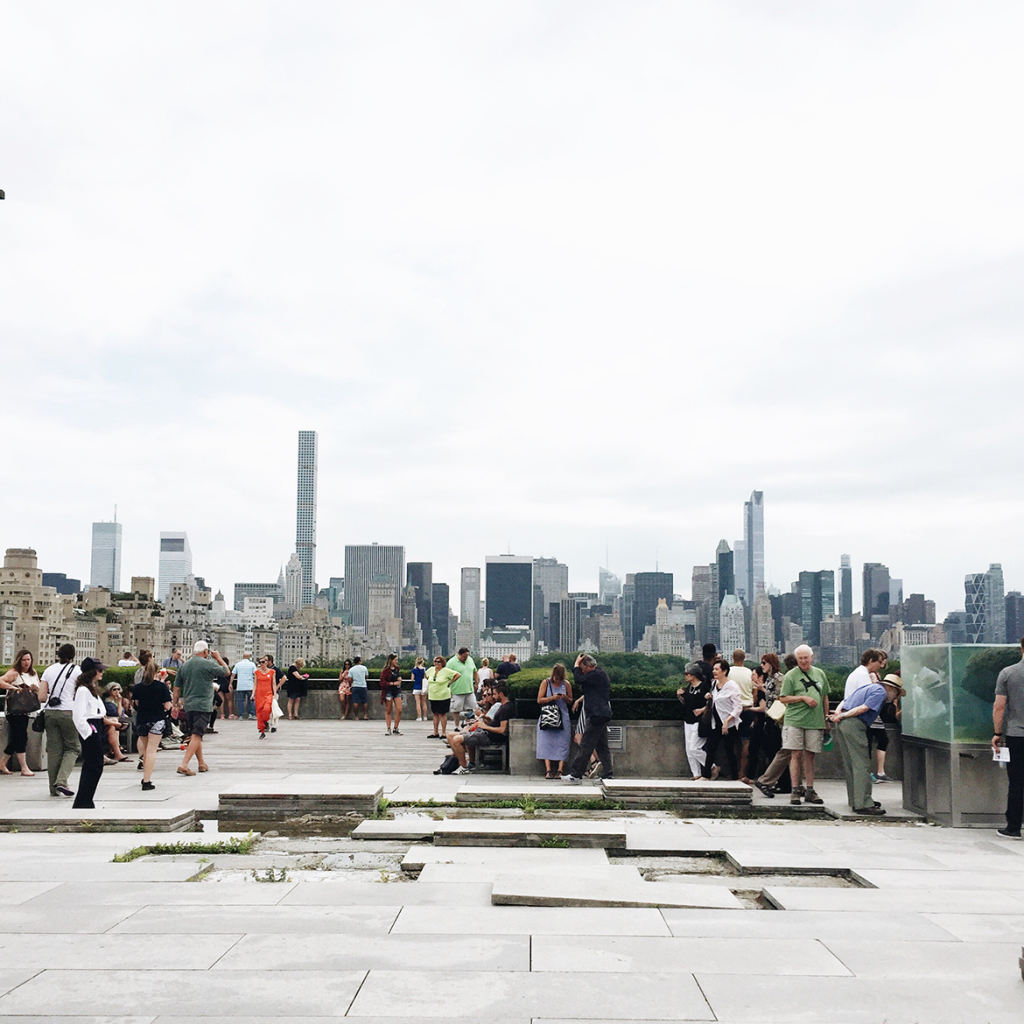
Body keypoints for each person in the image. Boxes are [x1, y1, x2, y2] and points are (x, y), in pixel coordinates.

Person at [829, 668, 898, 816]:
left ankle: (855, 799)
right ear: (891, 689)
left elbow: (845, 701)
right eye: (897, 693)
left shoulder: (869, 687)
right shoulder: (880, 692)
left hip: (843, 725)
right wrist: (843, 716)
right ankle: (863, 803)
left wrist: (839, 714)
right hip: (854, 724)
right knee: (862, 763)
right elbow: (863, 708)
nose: (895, 698)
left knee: (850, 763)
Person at [779, 644, 829, 806]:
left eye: (806, 658)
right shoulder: (791, 676)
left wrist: (826, 717)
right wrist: (802, 698)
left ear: (812, 657)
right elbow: (783, 698)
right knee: (796, 754)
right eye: (800, 659)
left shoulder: (820, 674)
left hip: (815, 721)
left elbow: (825, 697)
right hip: (795, 721)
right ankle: (795, 789)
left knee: (810, 755)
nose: (803, 661)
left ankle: (810, 789)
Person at [172, 641, 228, 776]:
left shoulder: (185, 666)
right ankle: (184, 764)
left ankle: (201, 763)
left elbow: (176, 687)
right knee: (197, 734)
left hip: (189, 705)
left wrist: (175, 704)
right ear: (205, 652)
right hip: (203, 705)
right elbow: (226, 672)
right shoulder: (208, 664)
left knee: (195, 734)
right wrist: (218, 658)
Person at [38, 644, 81, 797]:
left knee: (54, 751)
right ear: (73, 655)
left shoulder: (49, 670)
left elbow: (41, 697)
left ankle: (53, 789)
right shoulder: (77, 671)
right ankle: (62, 781)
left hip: (50, 712)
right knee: (73, 748)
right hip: (68, 712)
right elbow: (79, 694)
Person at [562, 654, 613, 784]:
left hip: (596, 714)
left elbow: (579, 680)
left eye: (583, 668)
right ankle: (607, 774)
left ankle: (576, 774)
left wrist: (575, 665)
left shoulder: (596, 674)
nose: (582, 671)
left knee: (586, 744)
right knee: (602, 746)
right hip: (601, 713)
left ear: (589, 666)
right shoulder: (599, 674)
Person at [993, 638, 1024, 839]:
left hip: (1017, 734)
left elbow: (999, 707)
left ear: (1021, 648)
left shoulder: (1008, 673)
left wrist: (997, 733)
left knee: (1017, 782)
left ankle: (1013, 826)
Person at [449, 681, 515, 774]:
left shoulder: (505, 708)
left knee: (456, 740)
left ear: (501, 694)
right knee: (450, 736)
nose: (493, 697)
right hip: (485, 732)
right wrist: (485, 718)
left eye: (495, 694)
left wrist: (485, 727)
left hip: (490, 736)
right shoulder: (502, 706)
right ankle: (470, 763)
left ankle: (464, 767)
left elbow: (501, 730)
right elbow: (495, 723)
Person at [71, 658, 111, 809]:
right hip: (91, 727)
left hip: (96, 725)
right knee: (93, 764)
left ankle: (86, 799)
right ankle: (83, 800)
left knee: (96, 764)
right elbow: (78, 716)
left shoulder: (90, 689)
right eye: (99, 670)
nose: (102, 672)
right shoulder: (83, 690)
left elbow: (99, 711)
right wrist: (89, 732)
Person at [753, 653, 791, 797]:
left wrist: (764, 690)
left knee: (777, 750)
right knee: (771, 750)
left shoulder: (779, 677)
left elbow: (782, 697)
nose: (762, 666)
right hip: (769, 716)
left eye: (764, 663)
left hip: (776, 716)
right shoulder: (770, 678)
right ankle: (779, 782)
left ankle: (784, 783)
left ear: (771, 663)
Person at [132, 659, 172, 790]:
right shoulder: (161, 687)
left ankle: (145, 776)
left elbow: (137, 704)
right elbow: (167, 706)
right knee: (152, 750)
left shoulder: (138, 687)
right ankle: (146, 780)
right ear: (157, 672)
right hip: (157, 720)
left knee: (145, 749)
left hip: (142, 720)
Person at [0, 650, 39, 776]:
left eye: (28, 659)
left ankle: (2, 762)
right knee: (22, 737)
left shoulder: (33, 674)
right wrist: (14, 688)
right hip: (14, 710)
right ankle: (24, 767)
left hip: (26, 710)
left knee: (18, 737)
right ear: (19, 661)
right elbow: (1, 681)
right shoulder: (14, 673)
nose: (26, 662)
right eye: (24, 660)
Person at [703, 658, 743, 781]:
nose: (714, 671)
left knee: (729, 749)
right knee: (711, 748)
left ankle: (735, 776)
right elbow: (716, 699)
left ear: (724, 671)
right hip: (716, 722)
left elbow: (738, 707)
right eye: (713, 669)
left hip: (728, 724)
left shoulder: (732, 686)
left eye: (717, 669)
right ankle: (705, 775)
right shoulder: (714, 684)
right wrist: (708, 696)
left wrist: (727, 721)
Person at [536, 662, 573, 779]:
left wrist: (565, 697)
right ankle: (548, 770)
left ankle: (560, 770)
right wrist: (552, 698)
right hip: (548, 715)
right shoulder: (545, 683)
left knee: (563, 742)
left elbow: (570, 700)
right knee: (546, 742)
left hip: (562, 715)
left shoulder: (566, 684)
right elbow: (539, 700)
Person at [677, 663, 711, 780]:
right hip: (688, 720)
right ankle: (696, 773)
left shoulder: (704, 686)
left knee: (694, 748)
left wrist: (702, 710)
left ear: (694, 675)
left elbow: (711, 703)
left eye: (688, 674)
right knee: (689, 749)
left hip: (699, 721)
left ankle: (711, 766)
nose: (686, 676)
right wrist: (680, 696)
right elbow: (686, 702)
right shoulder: (689, 688)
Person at [728, 649, 756, 783]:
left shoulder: (728, 672)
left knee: (731, 742)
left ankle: (733, 771)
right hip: (748, 709)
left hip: (732, 711)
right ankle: (742, 773)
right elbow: (754, 691)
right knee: (746, 742)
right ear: (744, 658)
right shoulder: (750, 672)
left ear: (732, 658)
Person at [872, 672, 903, 782]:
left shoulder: (879, 692)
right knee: (880, 740)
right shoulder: (881, 694)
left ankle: (875, 772)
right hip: (872, 720)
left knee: (879, 741)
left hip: (873, 719)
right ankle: (878, 772)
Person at [425, 655, 458, 741]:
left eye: (439, 662)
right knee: (435, 714)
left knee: (442, 714)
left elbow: (457, 675)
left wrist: (450, 682)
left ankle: (443, 732)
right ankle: (435, 732)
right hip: (433, 695)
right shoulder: (431, 670)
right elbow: (426, 675)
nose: (436, 663)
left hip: (443, 695)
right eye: (435, 662)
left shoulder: (446, 671)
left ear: (442, 663)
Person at [446, 648, 479, 724]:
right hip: (457, 691)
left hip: (469, 690)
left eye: (467, 656)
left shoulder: (470, 660)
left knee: (473, 708)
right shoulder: (451, 662)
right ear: (459, 655)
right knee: (456, 710)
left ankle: (469, 723)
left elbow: (475, 671)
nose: (465, 659)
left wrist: (476, 683)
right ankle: (456, 725)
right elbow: (446, 675)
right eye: (464, 657)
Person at [101, 683, 130, 763]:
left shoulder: (115, 701)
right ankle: (117, 751)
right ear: (109, 691)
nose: (117, 691)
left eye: (118, 689)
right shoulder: (108, 703)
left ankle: (116, 751)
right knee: (114, 722)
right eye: (114, 689)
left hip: (114, 721)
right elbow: (118, 714)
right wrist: (120, 702)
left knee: (113, 725)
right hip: (108, 721)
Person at [254, 656, 279, 739]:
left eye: (263, 662)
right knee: (259, 712)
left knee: (267, 708)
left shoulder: (272, 672)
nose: (261, 664)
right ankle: (262, 730)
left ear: (267, 662)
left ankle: (265, 721)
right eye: (260, 662)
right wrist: (252, 694)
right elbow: (255, 684)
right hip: (259, 694)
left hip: (268, 693)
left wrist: (274, 693)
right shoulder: (257, 672)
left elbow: (273, 683)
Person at [380, 653, 404, 736]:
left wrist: (399, 680)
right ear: (391, 661)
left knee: (399, 709)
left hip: (397, 691)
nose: (397, 661)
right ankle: (388, 728)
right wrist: (393, 683)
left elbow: (398, 677)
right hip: (388, 691)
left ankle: (396, 727)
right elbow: (382, 683)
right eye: (395, 660)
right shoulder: (385, 671)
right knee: (388, 710)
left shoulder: (397, 669)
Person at [232, 652, 257, 720]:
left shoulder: (238, 664)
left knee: (240, 701)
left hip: (240, 686)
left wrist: (230, 683)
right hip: (250, 685)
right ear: (249, 657)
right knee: (251, 700)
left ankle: (240, 715)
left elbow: (233, 674)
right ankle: (252, 714)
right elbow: (256, 674)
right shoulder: (252, 664)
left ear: (243, 656)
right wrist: (256, 683)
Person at [410, 657, 427, 721]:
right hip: (423, 687)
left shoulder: (414, 669)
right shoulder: (425, 669)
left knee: (418, 703)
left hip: (416, 687)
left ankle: (419, 717)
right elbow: (427, 677)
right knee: (424, 702)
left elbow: (412, 679)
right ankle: (425, 716)